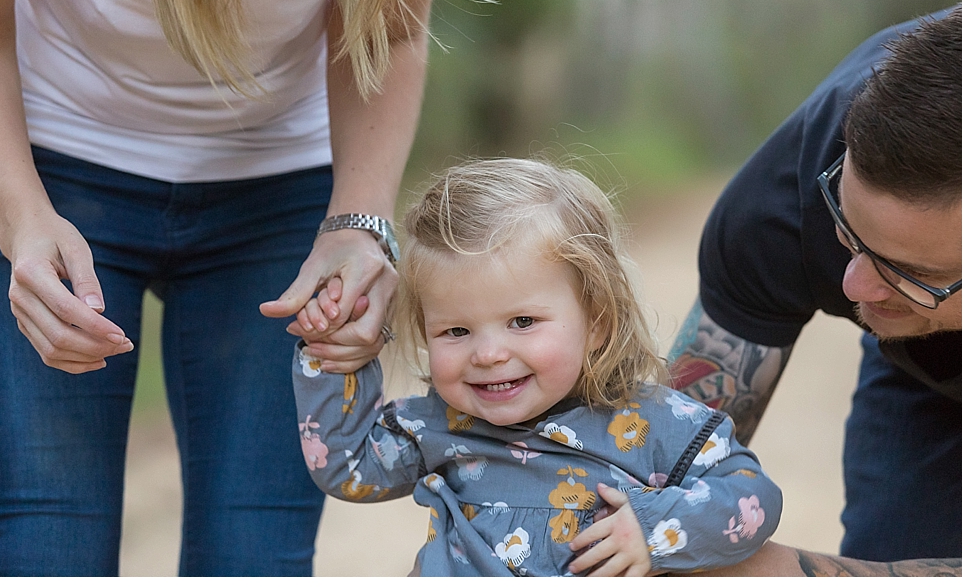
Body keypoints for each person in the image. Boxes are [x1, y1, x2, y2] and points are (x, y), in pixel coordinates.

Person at [0, 0, 501, 576]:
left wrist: (360, 223)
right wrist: (21, 222)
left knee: (255, 553)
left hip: (281, 190)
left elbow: (387, 33)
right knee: (47, 541)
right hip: (53, 169)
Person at [292, 158, 783, 577]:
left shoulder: (654, 423)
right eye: (455, 331)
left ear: (597, 323)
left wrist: (656, 528)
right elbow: (348, 468)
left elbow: (752, 497)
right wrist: (332, 356)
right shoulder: (436, 425)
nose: (487, 354)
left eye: (522, 321)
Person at [667, 6, 961, 570]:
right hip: (924, 358)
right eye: (848, 233)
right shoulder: (782, 203)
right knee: (898, 538)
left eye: (912, 273)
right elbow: (662, 464)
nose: (854, 284)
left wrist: (769, 569)